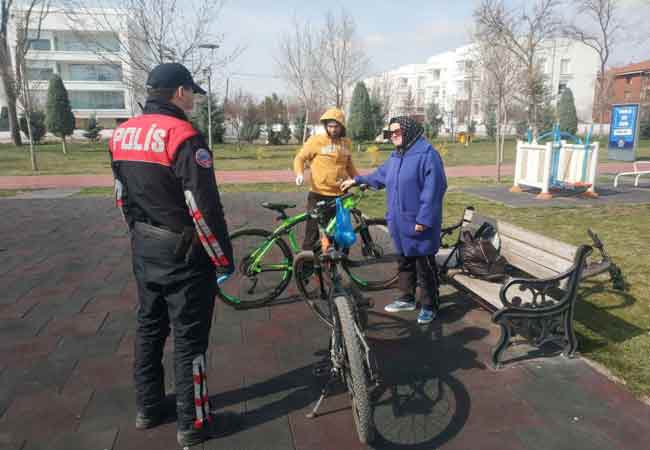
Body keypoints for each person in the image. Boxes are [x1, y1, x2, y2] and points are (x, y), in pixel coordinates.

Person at [108, 62, 240, 448]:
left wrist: (139, 235)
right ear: (178, 92)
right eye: (192, 92)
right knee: (189, 339)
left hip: (145, 247)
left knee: (149, 327)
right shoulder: (184, 136)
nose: (195, 98)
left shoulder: (121, 134)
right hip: (184, 254)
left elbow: (122, 197)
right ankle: (193, 423)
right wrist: (222, 257)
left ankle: (148, 409)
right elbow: (202, 208)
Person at [341, 116, 447, 324]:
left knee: (424, 266)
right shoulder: (397, 155)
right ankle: (407, 297)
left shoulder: (427, 155)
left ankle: (430, 305)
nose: (393, 136)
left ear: (409, 131)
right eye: (390, 133)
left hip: (419, 222)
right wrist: (357, 180)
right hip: (399, 221)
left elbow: (434, 189)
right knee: (405, 262)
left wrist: (424, 219)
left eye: (397, 132)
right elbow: (380, 176)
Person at [293, 108, 360, 250]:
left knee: (341, 232)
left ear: (342, 126)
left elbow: (349, 165)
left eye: (336, 126)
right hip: (318, 195)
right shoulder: (316, 141)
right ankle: (306, 264)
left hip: (341, 196)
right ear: (325, 126)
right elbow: (300, 158)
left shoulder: (346, 143)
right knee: (312, 233)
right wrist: (299, 173)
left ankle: (337, 263)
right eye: (330, 126)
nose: (333, 129)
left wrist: (359, 180)